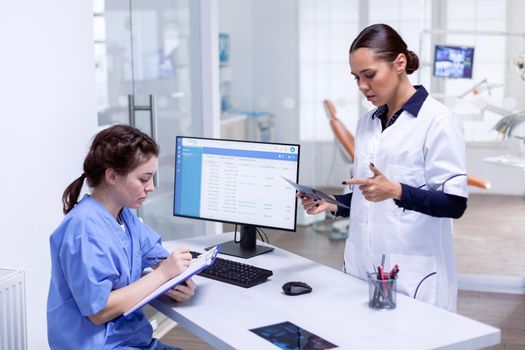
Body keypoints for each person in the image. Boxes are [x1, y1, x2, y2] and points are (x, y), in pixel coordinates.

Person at [299, 24, 468, 311]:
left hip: (414, 272)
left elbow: (454, 204)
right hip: (362, 265)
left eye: (369, 75)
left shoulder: (438, 121)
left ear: (399, 63)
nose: (362, 86)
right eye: (356, 77)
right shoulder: (367, 122)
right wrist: (332, 205)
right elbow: (369, 197)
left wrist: (399, 191)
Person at [47, 124, 196, 349]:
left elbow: (157, 258)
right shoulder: (84, 228)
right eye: (144, 179)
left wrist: (179, 283)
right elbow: (99, 311)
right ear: (112, 176)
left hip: (132, 340)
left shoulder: (123, 216)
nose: (151, 187)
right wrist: (165, 274)